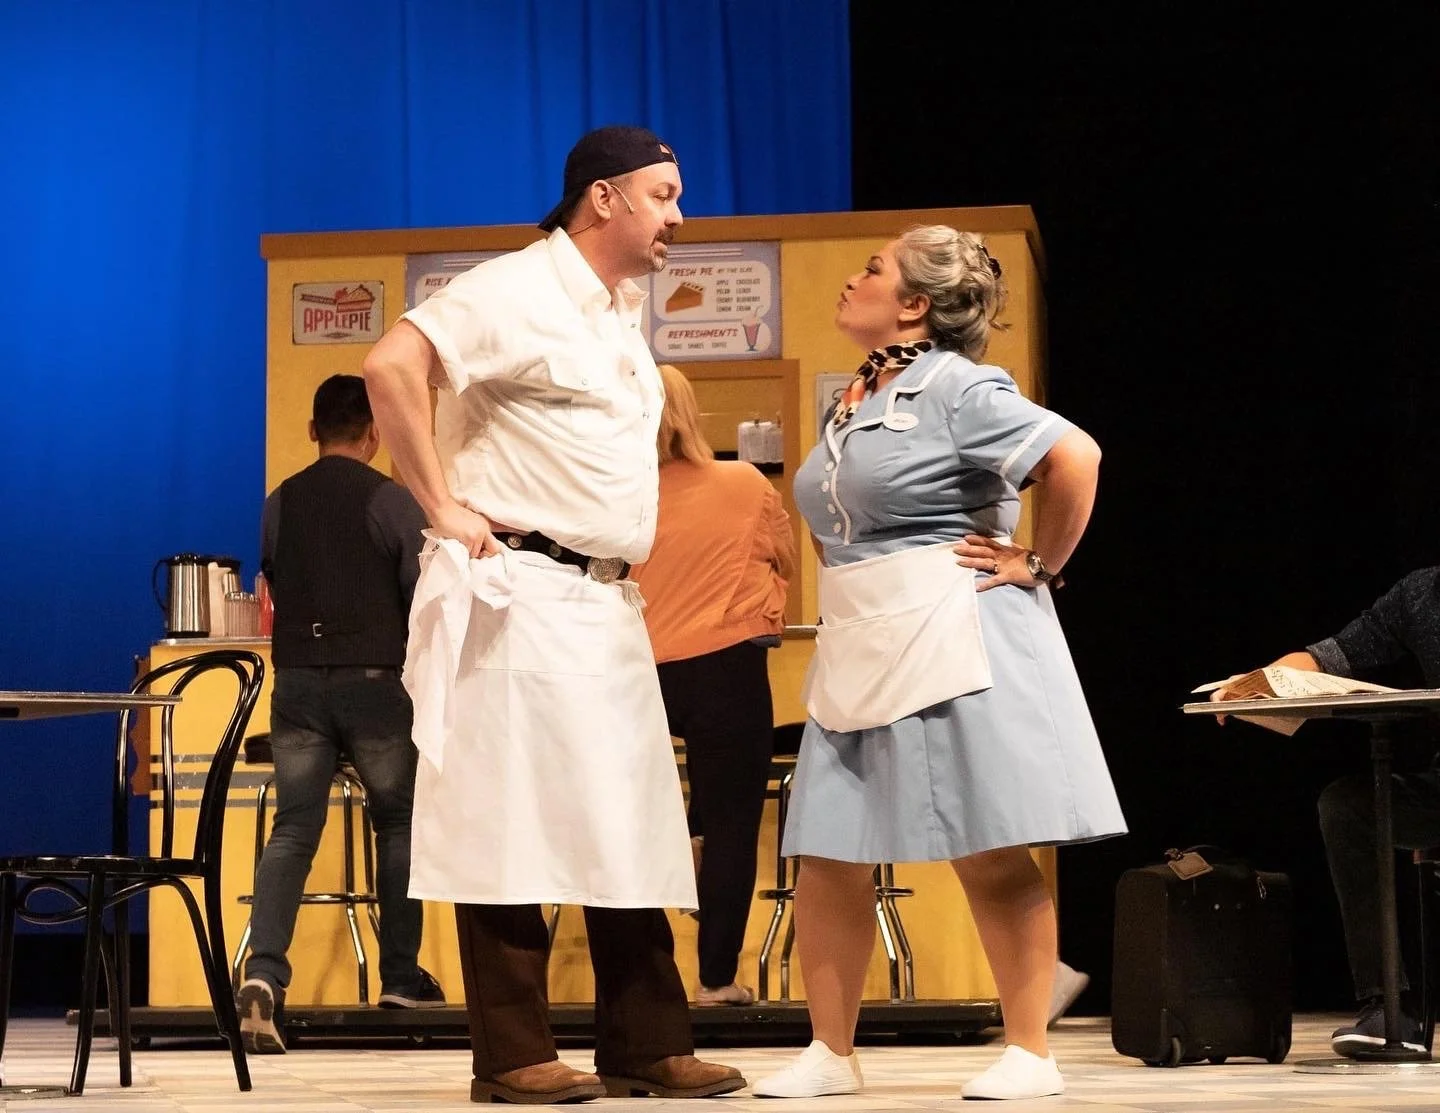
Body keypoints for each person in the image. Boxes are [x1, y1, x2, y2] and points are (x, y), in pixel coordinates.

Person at [362, 125, 745, 1105]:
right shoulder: (515, 289)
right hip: (519, 591)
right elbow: (391, 368)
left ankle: (647, 1041)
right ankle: (514, 1053)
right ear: (604, 199)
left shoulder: (619, 312)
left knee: (626, 817)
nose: (679, 214)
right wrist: (442, 505)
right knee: (507, 821)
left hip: (607, 600)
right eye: (664, 194)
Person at [751, 226, 1125, 1102]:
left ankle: (1031, 1051)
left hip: (954, 627)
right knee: (827, 850)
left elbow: (1077, 455)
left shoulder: (958, 386)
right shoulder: (855, 396)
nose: (853, 278)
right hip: (862, 631)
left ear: (915, 304)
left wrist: (1039, 561)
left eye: (873, 270)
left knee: (985, 843)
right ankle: (830, 1052)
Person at [236, 374, 443, 1056]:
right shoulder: (392, 499)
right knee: (397, 820)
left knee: (294, 827)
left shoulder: (278, 502)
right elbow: (424, 590)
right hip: (378, 685)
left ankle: (263, 973)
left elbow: (271, 576)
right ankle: (400, 977)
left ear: (312, 430)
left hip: (297, 684)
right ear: (375, 433)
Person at [1212, 566, 1440, 1057]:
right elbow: (1327, 656)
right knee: (1349, 806)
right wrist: (1256, 684)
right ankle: (1388, 1008)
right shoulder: (1422, 593)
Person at [629, 363, 796, 1007]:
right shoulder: (745, 483)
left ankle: (646, 984)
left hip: (638, 673)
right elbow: (783, 557)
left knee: (631, 824)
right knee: (733, 824)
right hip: (726, 665)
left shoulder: (617, 494)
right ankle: (717, 979)